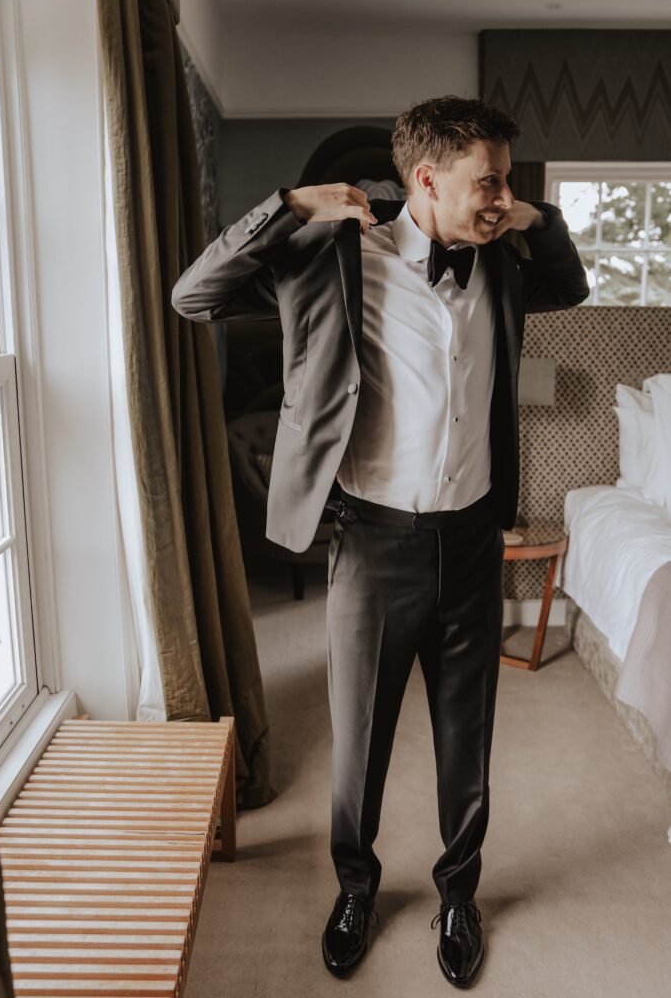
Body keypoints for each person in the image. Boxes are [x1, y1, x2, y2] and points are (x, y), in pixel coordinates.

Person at [172, 95, 589, 989]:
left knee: (464, 740)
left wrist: (534, 216)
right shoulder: (330, 260)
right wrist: (291, 206)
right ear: (424, 179)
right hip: (371, 544)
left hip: (474, 539)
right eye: (489, 180)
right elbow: (192, 295)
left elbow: (574, 284)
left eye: (505, 180)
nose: (499, 195)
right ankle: (355, 888)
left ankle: (457, 895)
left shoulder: (507, 261)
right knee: (357, 742)